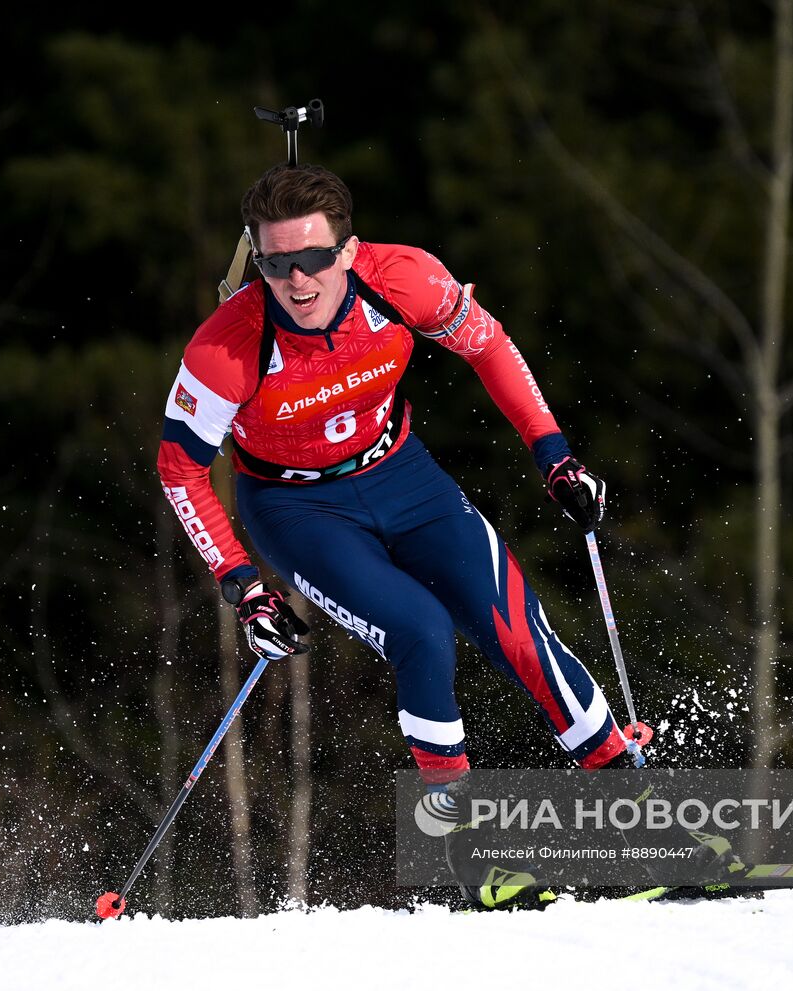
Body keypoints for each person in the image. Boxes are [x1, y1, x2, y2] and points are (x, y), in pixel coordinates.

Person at [156, 163, 648, 909]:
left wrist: (554, 455)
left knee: (515, 625)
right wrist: (243, 586)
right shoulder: (226, 348)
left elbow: (489, 346)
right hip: (297, 509)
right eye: (277, 264)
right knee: (420, 630)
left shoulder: (404, 280)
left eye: (314, 257)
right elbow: (180, 469)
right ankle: (470, 857)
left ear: (348, 251)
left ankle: (641, 812)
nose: (297, 280)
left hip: (401, 473)